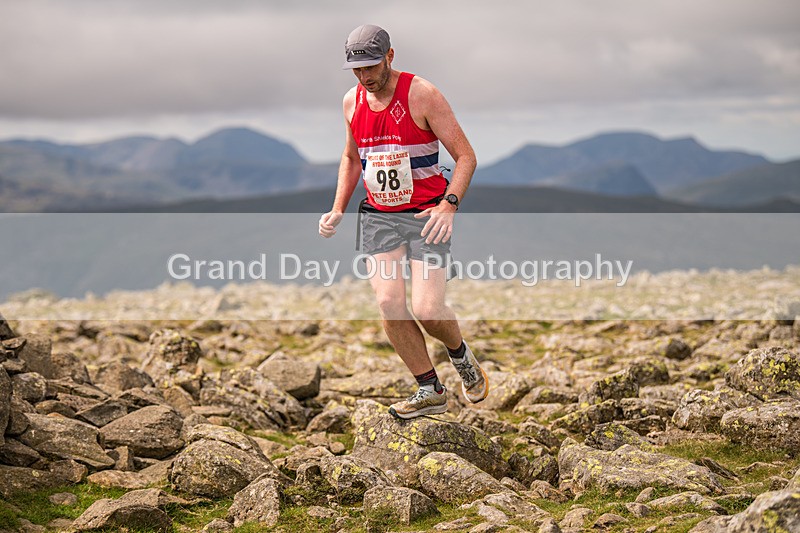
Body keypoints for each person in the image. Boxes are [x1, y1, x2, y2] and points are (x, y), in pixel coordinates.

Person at [319, 24, 489, 419]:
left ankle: (461, 355)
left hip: (426, 214)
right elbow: (352, 157)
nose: (365, 77)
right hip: (379, 215)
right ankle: (430, 388)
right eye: (357, 70)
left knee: (428, 310)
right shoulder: (351, 102)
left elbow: (466, 156)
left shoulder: (422, 94)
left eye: (371, 67)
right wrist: (338, 207)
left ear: (390, 57)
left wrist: (449, 205)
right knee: (388, 303)